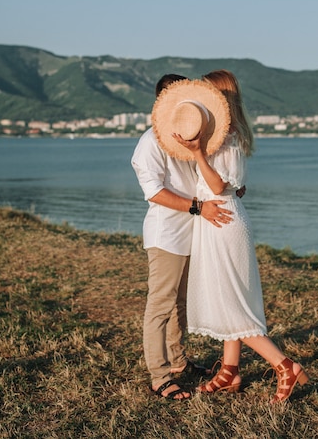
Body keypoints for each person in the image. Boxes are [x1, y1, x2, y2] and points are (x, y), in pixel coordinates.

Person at [172, 69, 309, 403]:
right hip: (218, 217)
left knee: (231, 303)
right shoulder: (223, 134)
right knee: (227, 297)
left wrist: (197, 152)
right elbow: (227, 184)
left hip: (222, 220)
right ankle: (230, 371)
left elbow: (218, 185)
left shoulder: (227, 136)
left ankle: (285, 365)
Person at [131, 74, 234, 400]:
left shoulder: (193, 138)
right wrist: (198, 207)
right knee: (160, 306)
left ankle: (178, 362)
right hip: (167, 235)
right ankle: (159, 376)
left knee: (179, 305)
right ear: (162, 105)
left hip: (194, 232)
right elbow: (155, 193)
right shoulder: (150, 143)